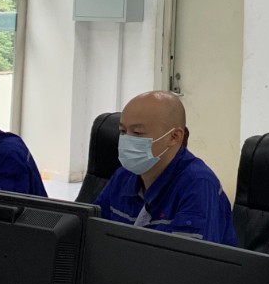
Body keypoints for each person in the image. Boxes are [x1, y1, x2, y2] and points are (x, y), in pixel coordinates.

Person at [95, 90, 236, 246]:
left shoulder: (198, 185)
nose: (126, 140)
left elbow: (188, 257)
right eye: (122, 131)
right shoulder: (123, 176)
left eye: (137, 133)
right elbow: (93, 231)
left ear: (174, 137)